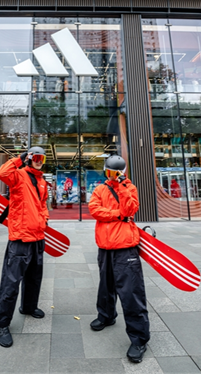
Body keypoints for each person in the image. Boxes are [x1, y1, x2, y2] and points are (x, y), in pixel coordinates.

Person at [88, 155, 150, 364]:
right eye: (109, 172)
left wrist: (122, 185)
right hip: (105, 247)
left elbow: (131, 209)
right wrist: (118, 215)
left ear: (122, 172)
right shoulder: (99, 190)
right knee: (105, 287)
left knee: (131, 293)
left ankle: (139, 339)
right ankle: (106, 316)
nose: (112, 176)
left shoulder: (129, 188)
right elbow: (95, 210)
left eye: (116, 173)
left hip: (125, 248)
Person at [0, 146, 50, 348]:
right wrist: (19, 158)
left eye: (41, 157)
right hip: (19, 239)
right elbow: (1, 173)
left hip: (38, 238)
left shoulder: (42, 181)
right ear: (29, 158)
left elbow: (42, 205)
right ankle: (1, 324)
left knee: (34, 278)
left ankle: (28, 307)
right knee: (10, 284)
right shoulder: (17, 175)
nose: (38, 160)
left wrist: (44, 219)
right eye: (35, 157)